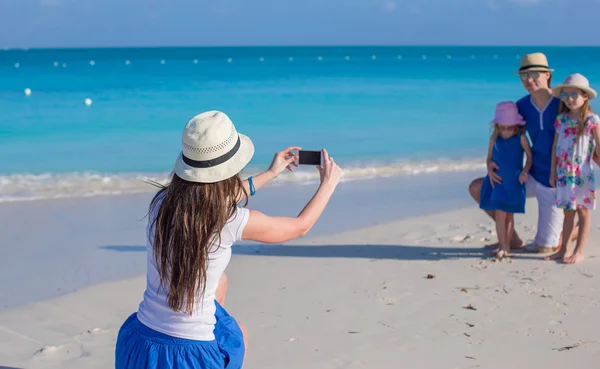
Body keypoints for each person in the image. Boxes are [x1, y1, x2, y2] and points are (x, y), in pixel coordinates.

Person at [114, 110, 342, 368]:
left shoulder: (162, 203)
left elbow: (209, 201)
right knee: (239, 333)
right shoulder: (230, 221)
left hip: (139, 343)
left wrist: (270, 173)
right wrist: (328, 184)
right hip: (191, 355)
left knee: (219, 282)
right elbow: (299, 227)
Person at [469, 52, 572, 254]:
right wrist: (490, 163)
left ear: (547, 75)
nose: (528, 80)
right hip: (530, 176)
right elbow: (502, 136)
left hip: (555, 182)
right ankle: (512, 239)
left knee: (545, 249)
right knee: (477, 188)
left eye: (534, 74)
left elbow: (587, 126)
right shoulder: (521, 107)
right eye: (523, 76)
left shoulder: (563, 103)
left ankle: (571, 232)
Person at [546, 74, 600, 264]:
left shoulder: (592, 119)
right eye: (565, 95)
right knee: (567, 211)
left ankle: (579, 251)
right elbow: (555, 147)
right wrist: (553, 171)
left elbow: (599, 146)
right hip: (563, 173)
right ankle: (563, 249)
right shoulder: (561, 119)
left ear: (585, 96)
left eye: (574, 94)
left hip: (583, 173)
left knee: (583, 211)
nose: (569, 99)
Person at [479, 101, 532, 259]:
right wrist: (489, 167)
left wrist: (525, 171)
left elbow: (529, 156)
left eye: (510, 127)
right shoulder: (494, 139)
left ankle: (507, 245)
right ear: (497, 126)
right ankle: (503, 245)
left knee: (509, 215)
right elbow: (488, 159)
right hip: (498, 181)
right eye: (502, 127)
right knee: (500, 214)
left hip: (514, 182)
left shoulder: (521, 138)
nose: (506, 131)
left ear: (516, 126)